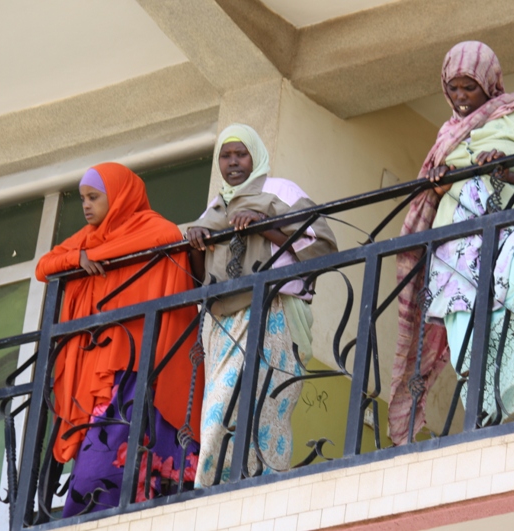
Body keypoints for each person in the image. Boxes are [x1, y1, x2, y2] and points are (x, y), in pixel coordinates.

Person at [390, 41, 514, 438]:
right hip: (455, 252)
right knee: (467, 351)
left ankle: (500, 401)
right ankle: (483, 416)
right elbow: (433, 194)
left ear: (489, 84)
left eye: (469, 88)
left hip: (511, 231)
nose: (460, 98)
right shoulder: (448, 133)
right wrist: (439, 185)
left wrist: (508, 171)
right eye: (453, 88)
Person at [35, 162, 203, 516]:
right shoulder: (87, 237)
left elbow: (167, 239)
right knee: (99, 461)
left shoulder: (152, 228)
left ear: (119, 196)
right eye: (82, 198)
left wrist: (90, 257)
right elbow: (44, 266)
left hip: (140, 367)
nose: (85, 205)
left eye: (94, 197)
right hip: (101, 367)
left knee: (125, 454)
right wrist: (76, 257)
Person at [186, 123, 337, 487]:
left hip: (273, 311)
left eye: (241, 154)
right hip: (224, 323)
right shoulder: (216, 204)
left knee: (263, 409)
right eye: (226, 155)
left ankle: (262, 484)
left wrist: (263, 224)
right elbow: (198, 278)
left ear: (256, 156)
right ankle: (215, 488)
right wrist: (194, 243)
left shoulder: (279, 190)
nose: (233, 163)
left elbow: (323, 246)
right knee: (218, 413)